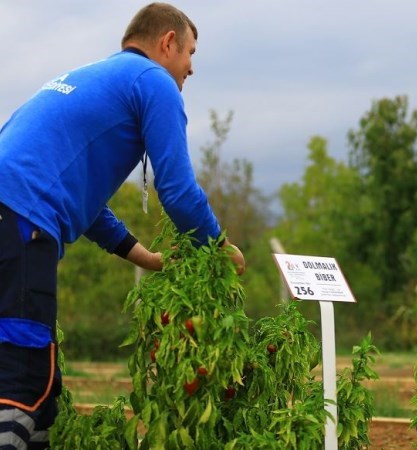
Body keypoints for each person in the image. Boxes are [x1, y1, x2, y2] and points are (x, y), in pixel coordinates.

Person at [0, 3, 245, 448]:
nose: (191, 68)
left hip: (12, 211)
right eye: (190, 53)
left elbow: (82, 199)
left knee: (41, 391)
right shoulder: (154, 81)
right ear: (167, 43)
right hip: (21, 222)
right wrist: (219, 245)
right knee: (22, 383)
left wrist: (143, 256)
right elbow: (177, 189)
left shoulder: (96, 77)